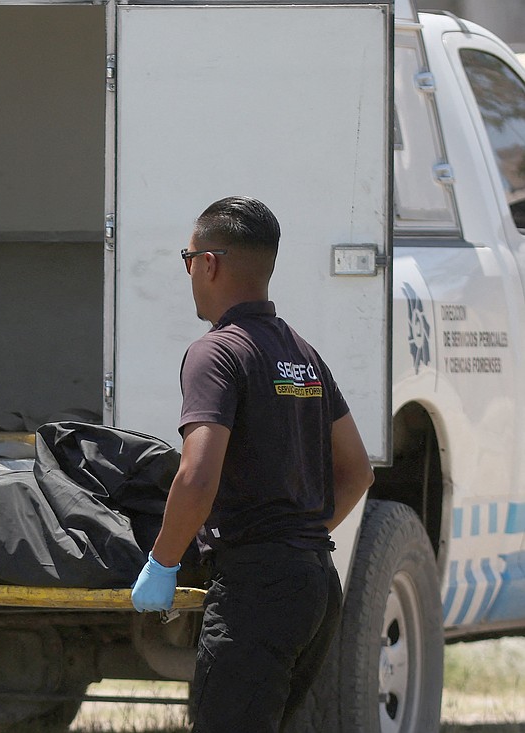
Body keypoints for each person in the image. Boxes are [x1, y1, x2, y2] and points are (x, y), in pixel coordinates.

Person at [129, 196, 374, 732]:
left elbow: (196, 476)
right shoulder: (303, 354)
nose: (189, 271)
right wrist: (297, 536)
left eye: (188, 258)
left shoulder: (216, 353)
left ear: (210, 263)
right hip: (315, 584)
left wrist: (164, 562)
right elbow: (357, 470)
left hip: (256, 592)